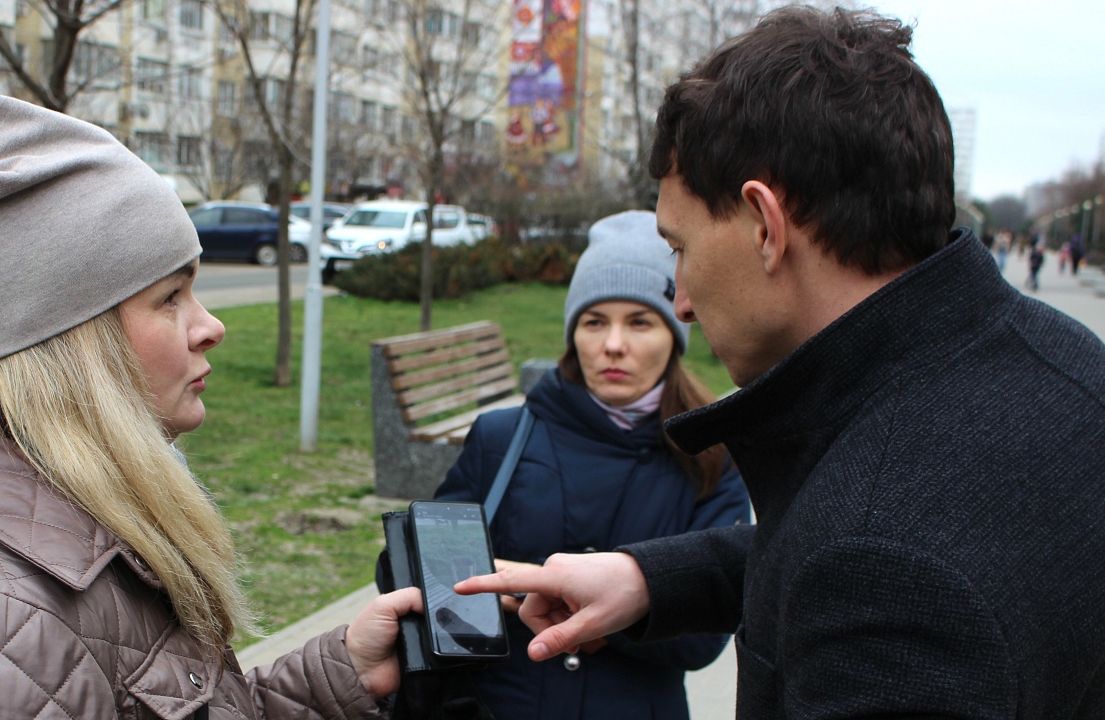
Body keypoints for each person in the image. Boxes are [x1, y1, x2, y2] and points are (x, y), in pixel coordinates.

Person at [458, 7, 1105, 718]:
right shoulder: (1063, 364)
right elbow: (855, 547)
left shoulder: (884, 555)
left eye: (680, 249)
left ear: (766, 226)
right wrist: (650, 579)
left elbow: (867, 560)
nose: (682, 302)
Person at [0, 90, 420, 718]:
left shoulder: (68, 512)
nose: (211, 326)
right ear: (75, 344)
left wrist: (340, 674)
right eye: (170, 297)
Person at [434, 210, 750, 720]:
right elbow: (409, 570)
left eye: (640, 321)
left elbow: (705, 635)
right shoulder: (500, 437)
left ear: (674, 333)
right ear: (573, 332)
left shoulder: (711, 455)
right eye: (594, 321)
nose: (613, 345)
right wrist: (489, 584)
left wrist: (582, 603)